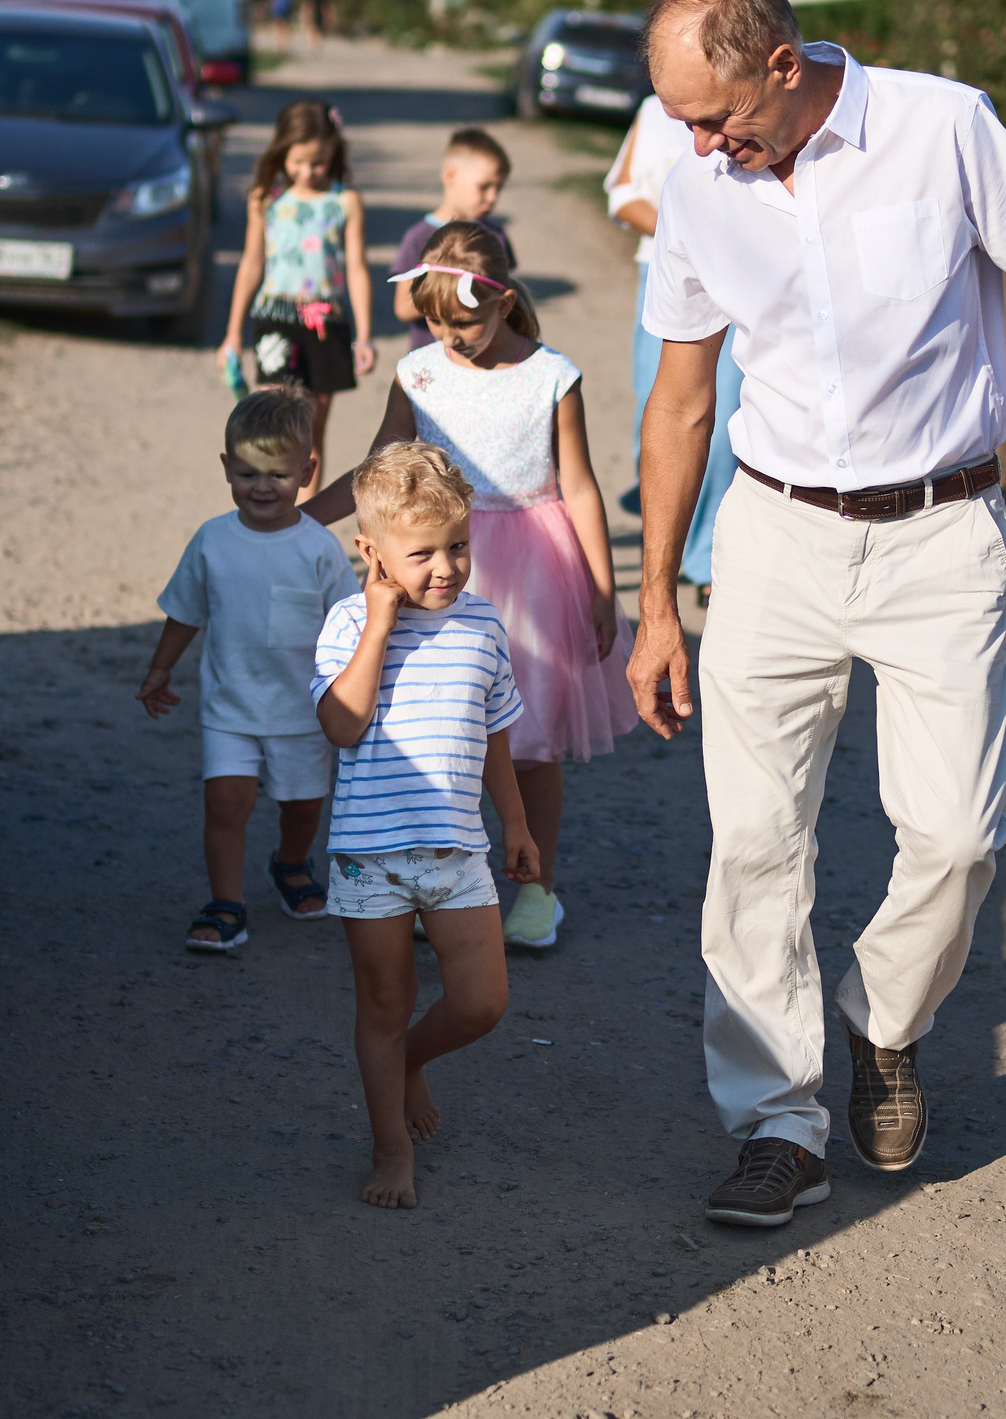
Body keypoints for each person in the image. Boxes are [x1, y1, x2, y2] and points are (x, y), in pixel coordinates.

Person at [626, 0, 1006, 1228]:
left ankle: (883, 1019)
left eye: (712, 116)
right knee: (754, 843)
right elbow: (681, 397)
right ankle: (776, 1123)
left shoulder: (944, 126)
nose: (695, 147)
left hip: (938, 535)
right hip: (774, 535)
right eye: (678, 121)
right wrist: (653, 599)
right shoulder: (699, 182)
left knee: (961, 836)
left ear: (782, 65)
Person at [307, 221, 634, 952]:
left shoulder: (553, 374)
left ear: (505, 301)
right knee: (435, 724)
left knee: (529, 738)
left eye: (467, 322)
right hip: (436, 564)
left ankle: (536, 887)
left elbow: (579, 486)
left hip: (535, 571)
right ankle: (433, 878)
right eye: (435, 322)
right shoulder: (420, 372)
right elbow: (375, 467)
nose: (452, 337)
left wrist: (603, 590)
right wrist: (304, 519)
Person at [314, 442, 541, 1208]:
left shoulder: (483, 626)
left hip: (457, 850)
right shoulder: (348, 623)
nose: (445, 567)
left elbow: (495, 736)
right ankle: (390, 1145)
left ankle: (409, 1059)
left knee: (482, 1001)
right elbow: (340, 726)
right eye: (421, 554)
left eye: (458, 546)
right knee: (382, 998)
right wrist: (379, 625)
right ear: (370, 553)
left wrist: (515, 822)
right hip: (368, 858)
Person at [138, 386, 359, 951]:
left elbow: (350, 626)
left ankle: (290, 862)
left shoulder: (319, 548)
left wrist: (359, 690)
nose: (262, 486)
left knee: (303, 803)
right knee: (226, 802)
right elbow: (185, 610)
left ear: (308, 472)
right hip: (229, 708)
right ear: (226, 468)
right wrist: (160, 668)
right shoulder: (213, 541)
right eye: (247, 472)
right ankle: (226, 902)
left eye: (278, 475)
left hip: (303, 712)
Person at [607, 94, 740, 589]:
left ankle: (708, 560)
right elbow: (622, 197)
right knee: (660, 411)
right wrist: (689, 239)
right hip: (666, 276)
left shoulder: (748, 112)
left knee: (723, 425)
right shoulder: (652, 111)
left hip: (737, 283)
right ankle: (668, 537)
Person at [221, 101, 374, 491]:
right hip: (277, 318)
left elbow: (357, 268)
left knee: (311, 428)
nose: (308, 171)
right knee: (271, 419)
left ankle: (303, 522)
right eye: (299, 162)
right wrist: (233, 334)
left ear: (333, 154)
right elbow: (252, 264)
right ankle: (266, 505)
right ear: (282, 152)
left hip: (328, 323)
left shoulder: (345, 202)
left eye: (318, 163)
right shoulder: (266, 200)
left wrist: (365, 335)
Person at [392, 127, 516, 350]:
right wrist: (453, 293)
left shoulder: (495, 236)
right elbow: (403, 308)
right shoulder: (418, 238)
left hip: (484, 358)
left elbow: (508, 304)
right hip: (434, 360)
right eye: (484, 186)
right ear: (450, 176)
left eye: (499, 187)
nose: (493, 197)